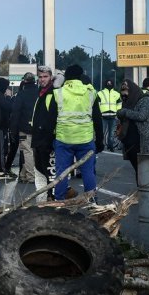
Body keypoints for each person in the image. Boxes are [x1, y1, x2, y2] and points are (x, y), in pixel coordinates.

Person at [52, 65, 104, 201]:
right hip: (85, 140)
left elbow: (52, 118)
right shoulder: (91, 92)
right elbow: (98, 119)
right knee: (88, 172)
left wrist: (51, 139)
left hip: (64, 139)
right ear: (81, 77)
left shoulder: (59, 92)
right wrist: (100, 140)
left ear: (66, 77)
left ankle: (59, 203)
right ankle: (92, 202)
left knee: (62, 173)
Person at [116, 78, 149, 181]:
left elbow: (142, 116)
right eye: (122, 93)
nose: (124, 96)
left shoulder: (146, 100)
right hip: (132, 143)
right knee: (139, 171)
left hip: (144, 143)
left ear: (133, 91)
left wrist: (124, 112)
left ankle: (144, 193)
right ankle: (141, 192)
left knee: (145, 172)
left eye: (126, 93)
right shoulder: (129, 102)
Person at [31, 66, 58, 202]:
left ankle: (53, 200)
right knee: (41, 172)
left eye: (45, 77)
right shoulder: (40, 93)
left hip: (48, 141)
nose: (42, 79)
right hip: (38, 140)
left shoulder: (53, 93)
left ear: (51, 77)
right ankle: (42, 201)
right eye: (40, 77)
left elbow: (53, 118)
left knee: (51, 173)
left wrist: (51, 139)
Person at [8, 72, 37, 183]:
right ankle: (23, 175)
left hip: (24, 128)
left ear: (24, 81)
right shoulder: (39, 93)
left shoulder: (21, 94)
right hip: (37, 128)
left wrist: (13, 130)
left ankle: (31, 176)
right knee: (33, 152)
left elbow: (15, 113)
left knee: (27, 152)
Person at [97, 79, 122, 151]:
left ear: (113, 84)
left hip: (113, 116)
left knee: (111, 133)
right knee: (101, 133)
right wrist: (99, 113)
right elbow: (98, 104)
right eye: (108, 83)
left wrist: (117, 113)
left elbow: (119, 104)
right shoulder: (100, 93)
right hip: (103, 116)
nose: (109, 84)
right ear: (105, 84)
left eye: (110, 83)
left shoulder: (116, 94)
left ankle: (110, 146)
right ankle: (100, 146)